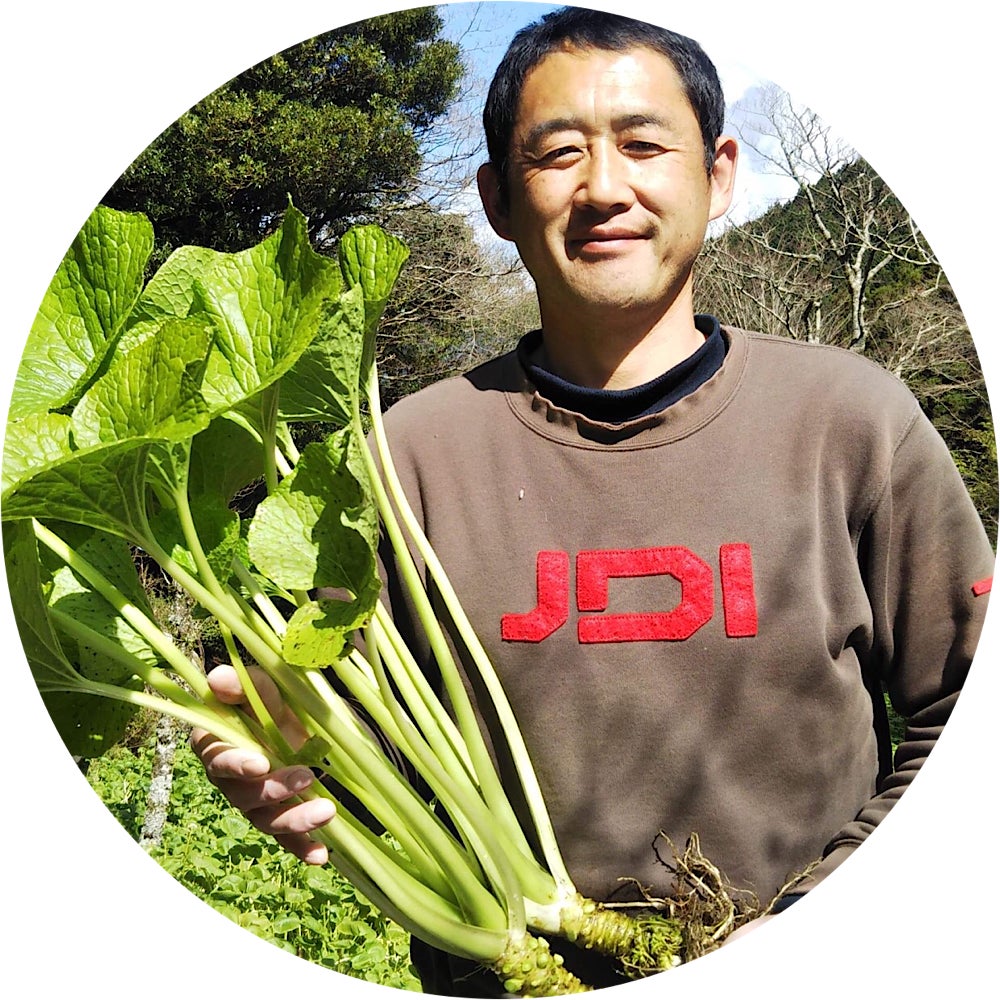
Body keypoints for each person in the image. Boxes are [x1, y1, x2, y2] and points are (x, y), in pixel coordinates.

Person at [192, 7, 994, 994]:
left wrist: (808, 924)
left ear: (720, 174)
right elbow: (354, 748)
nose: (604, 188)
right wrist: (289, 765)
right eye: (557, 153)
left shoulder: (853, 422)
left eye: (644, 145)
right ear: (496, 197)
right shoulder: (402, 456)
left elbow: (966, 712)